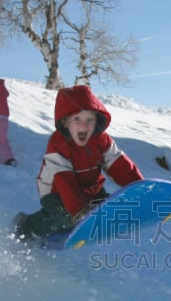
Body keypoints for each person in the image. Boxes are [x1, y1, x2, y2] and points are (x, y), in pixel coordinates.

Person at [14, 85, 143, 241]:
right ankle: (26, 226)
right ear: (65, 122)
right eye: (77, 119)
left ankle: (82, 214)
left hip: (90, 189)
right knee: (64, 215)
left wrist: (139, 187)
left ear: (97, 121)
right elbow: (64, 179)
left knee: (108, 208)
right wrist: (78, 210)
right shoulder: (58, 144)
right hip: (56, 192)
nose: (84, 125)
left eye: (90, 119)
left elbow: (117, 163)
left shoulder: (101, 139)